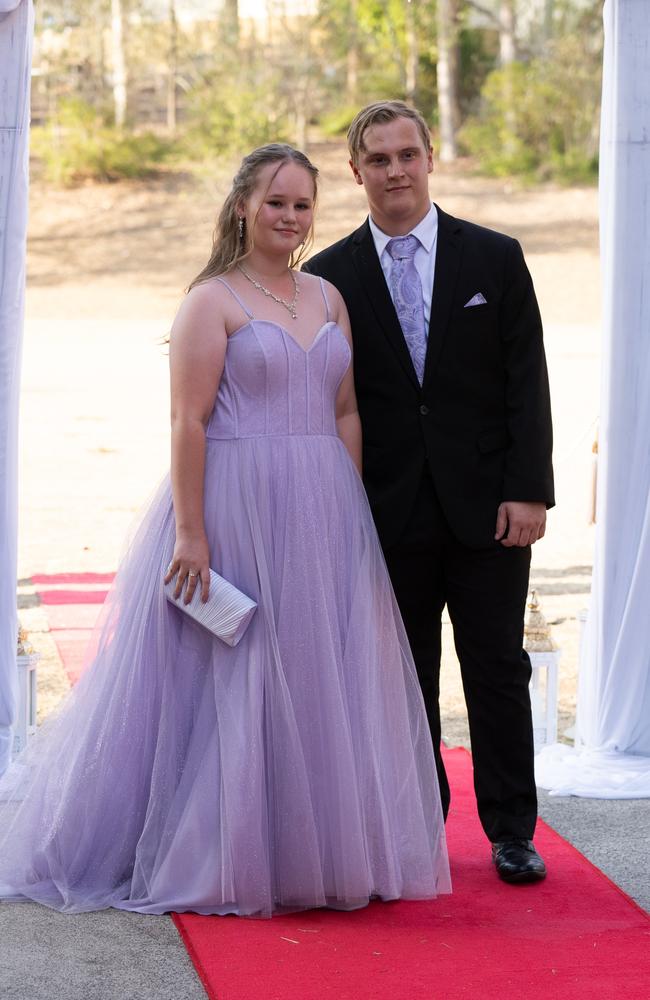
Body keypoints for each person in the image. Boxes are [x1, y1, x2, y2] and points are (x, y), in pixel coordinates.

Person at [0, 143, 450, 916]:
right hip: (235, 504)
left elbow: (345, 410)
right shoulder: (211, 301)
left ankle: (303, 852)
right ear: (243, 204)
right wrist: (192, 532)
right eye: (276, 201)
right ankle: (217, 852)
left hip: (323, 508)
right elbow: (188, 420)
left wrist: (348, 509)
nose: (289, 216)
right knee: (231, 680)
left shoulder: (328, 297)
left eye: (303, 204)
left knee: (314, 676)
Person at [303, 102, 554, 884]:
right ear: (356, 172)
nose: (396, 170)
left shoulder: (496, 258)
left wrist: (529, 491)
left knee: (497, 670)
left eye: (407, 153)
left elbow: (527, 382)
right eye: (378, 159)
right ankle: (416, 825)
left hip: (488, 510)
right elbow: (325, 400)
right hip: (385, 511)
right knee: (401, 676)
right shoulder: (327, 278)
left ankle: (513, 830)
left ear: (431, 156)